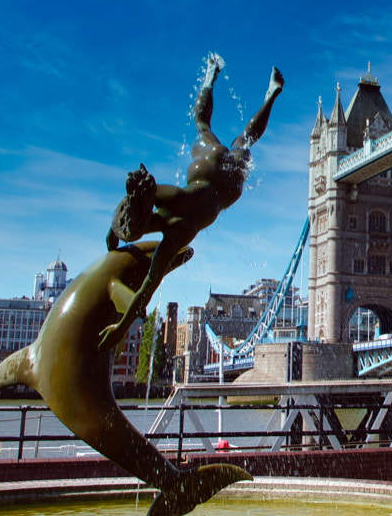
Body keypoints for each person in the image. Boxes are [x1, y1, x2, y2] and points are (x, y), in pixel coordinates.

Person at [102, 57, 284, 346]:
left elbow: (147, 289)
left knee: (243, 140)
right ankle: (219, 78)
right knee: (205, 125)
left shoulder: (177, 234)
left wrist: (121, 326)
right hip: (207, 169)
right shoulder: (166, 196)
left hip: (227, 191)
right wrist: (113, 231)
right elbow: (140, 194)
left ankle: (265, 93)